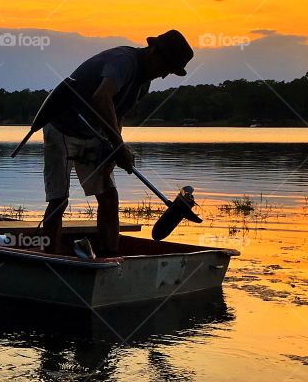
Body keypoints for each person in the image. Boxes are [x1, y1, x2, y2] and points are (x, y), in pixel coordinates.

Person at [40, 29, 194, 258]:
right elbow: (101, 97)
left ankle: (110, 256)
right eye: (165, 67)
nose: (163, 75)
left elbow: (117, 113)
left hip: (93, 133)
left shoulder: (143, 83)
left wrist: (113, 149)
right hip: (62, 126)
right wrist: (119, 146)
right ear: (153, 51)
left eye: (169, 72)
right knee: (59, 199)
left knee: (109, 194)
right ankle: (50, 258)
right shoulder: (123, 62)